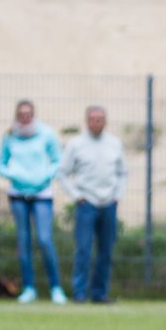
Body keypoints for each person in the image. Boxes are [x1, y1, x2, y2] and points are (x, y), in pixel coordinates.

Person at [0, 100, 66, 304]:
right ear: (17, 115)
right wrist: (15, 175)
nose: (25, 117)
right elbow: (0, 164)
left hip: (42, 193)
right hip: (18, 193)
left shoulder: (46, 134)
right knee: (23, 241)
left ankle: (56, 287)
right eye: (21, 114)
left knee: (44, 239)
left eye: (28, 113)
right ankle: (28, 287)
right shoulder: (10, 136)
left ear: (33, 114)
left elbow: (57, 161)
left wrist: (44, 176)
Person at [59, 105, 127, 304]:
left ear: (105, 122)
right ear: (87, 121)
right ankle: (79, 293)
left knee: (106, 251)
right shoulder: (76, 144)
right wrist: (76, 196)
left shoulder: (115, 144)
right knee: (83, 249)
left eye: (100, 119)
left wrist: (117, 196)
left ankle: (99, 293)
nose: (96, 123)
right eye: (93, 119)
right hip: (86, 203)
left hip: (109, 204)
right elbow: (62, 172)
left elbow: (123, 173)